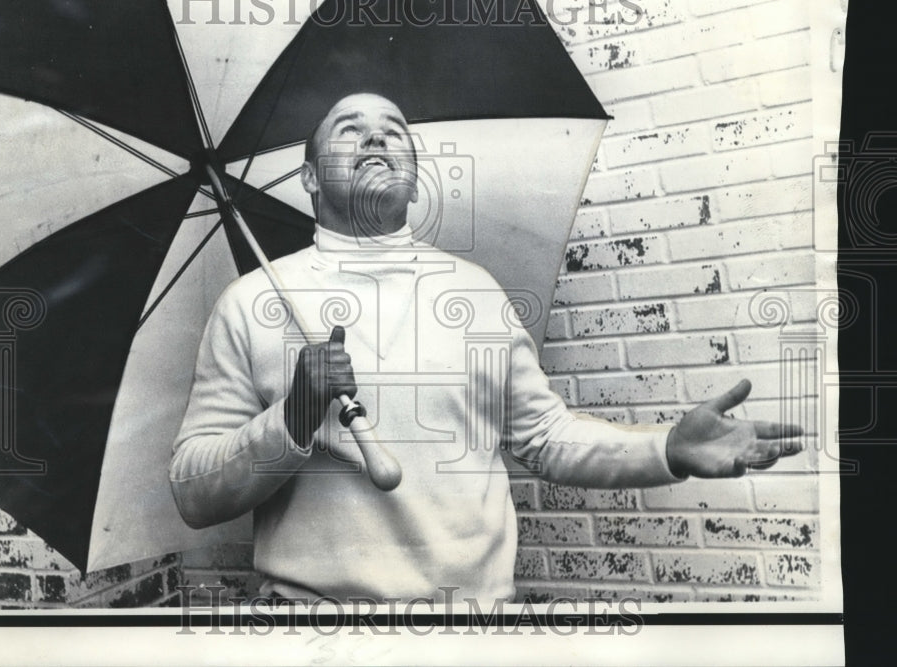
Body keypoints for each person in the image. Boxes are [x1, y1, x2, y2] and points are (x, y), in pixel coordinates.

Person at [169, 93, 803, 603]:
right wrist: (294, 417)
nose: (375, 137)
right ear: (308, 177)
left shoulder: (473, 292)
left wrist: (665, 448)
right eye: (348, 128)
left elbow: (545, 436)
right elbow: (193, 493)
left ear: (415, 181)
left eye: (394, 129)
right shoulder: (250, 303)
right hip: (313, 637)